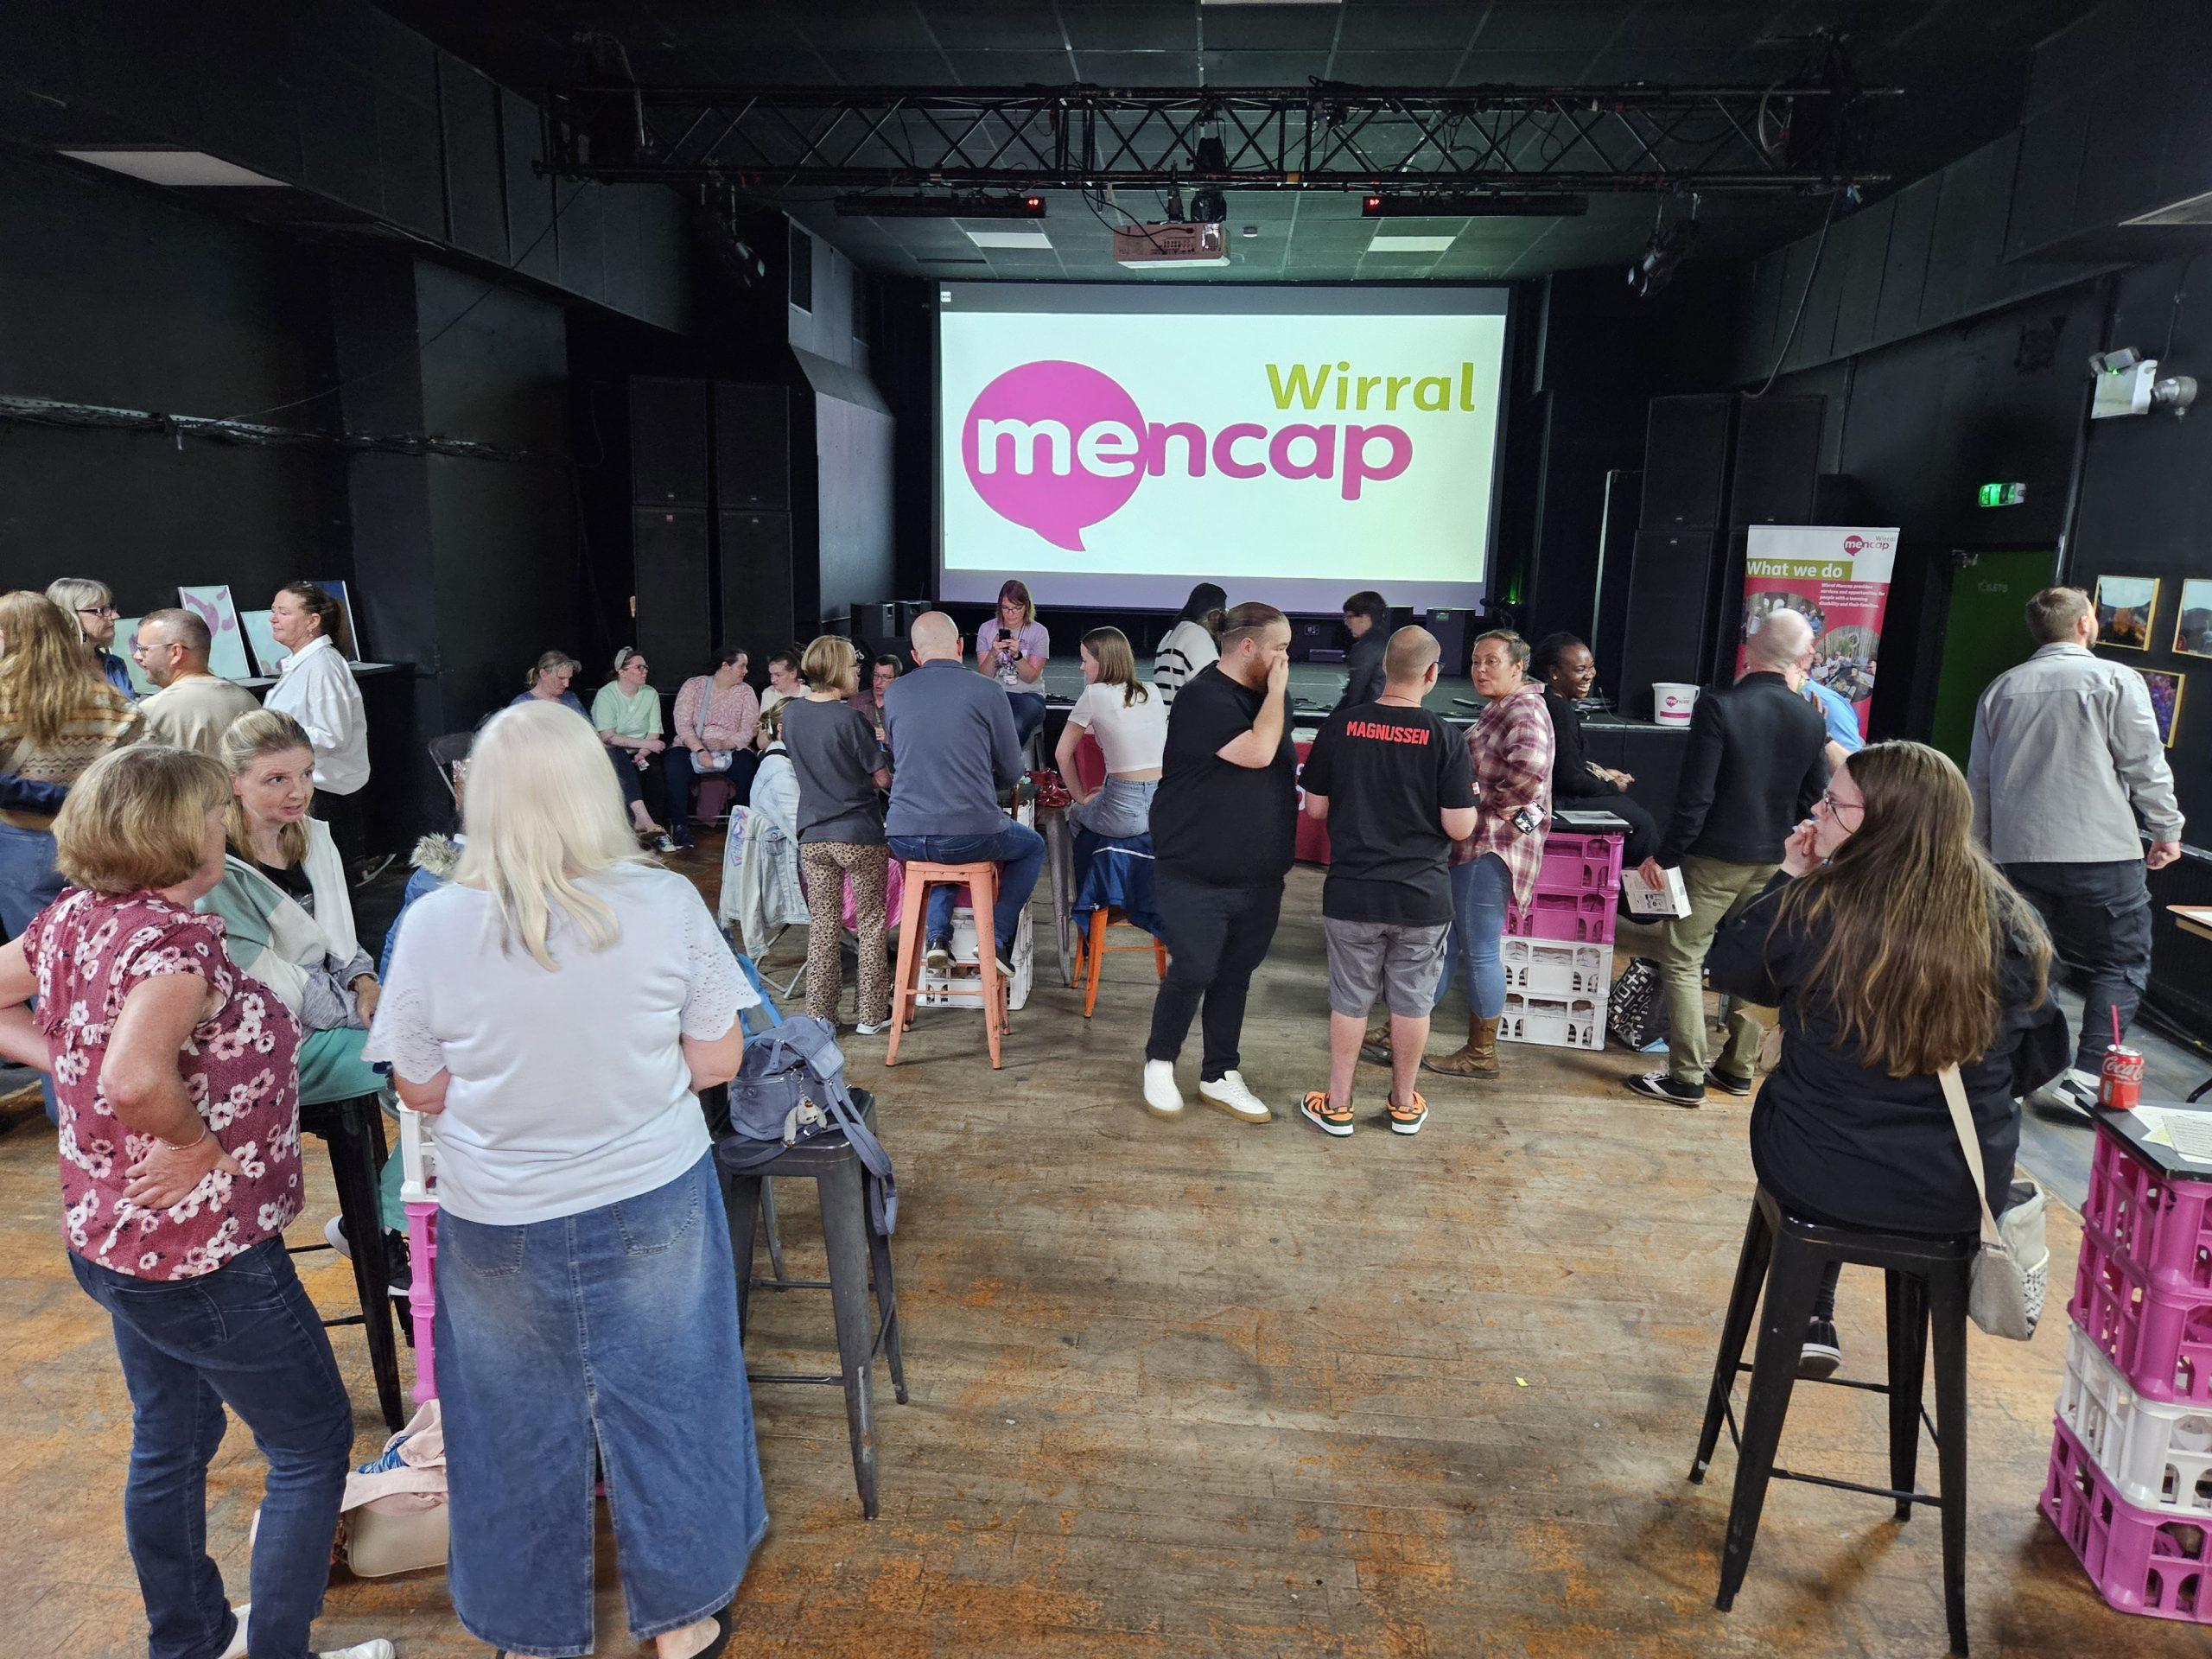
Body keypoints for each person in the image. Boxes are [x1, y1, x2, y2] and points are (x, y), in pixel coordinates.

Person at [363, 700, 764, 1659]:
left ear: (482, 800)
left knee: (508, 1424)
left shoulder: (433, 924)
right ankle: (684, 1619)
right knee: (675, 1397)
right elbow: (720, 1059)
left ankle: (532, 1633)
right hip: (651, 1191)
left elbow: (417, 1086)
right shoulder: (664, 902)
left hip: (497, 1210)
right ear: (595, 791)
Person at [0, 744, 393, 1659]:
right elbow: (137, 1080)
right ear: (180, 831)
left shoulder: (74, 917)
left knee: (171, 1438)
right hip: (204, 1256)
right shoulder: (176, 947)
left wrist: (69, 1064)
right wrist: (188, 1141)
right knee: (310, 1444)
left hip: (115, 1243)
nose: (227, 825)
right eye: (217, 813)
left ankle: (192, 1643)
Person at [1707, 741, 2063, 1376]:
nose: (1816, 814)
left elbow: (1732, 968)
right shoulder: (2009, 921)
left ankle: (1810, 1305)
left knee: (1818, 1112)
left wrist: (1789, 873)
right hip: (1957, 1189)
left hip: (1817, 1173)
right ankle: (1859, 1310)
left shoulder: (1817, 907)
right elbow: (2040, 1060)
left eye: (1833, 805)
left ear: (1885, 823)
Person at [1968, 584, 2184, 1116]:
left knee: (2024, 961)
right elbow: (2144, 763)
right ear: (2085, 624)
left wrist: (1979, 852)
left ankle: (2013, 1073)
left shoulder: (2001, 688)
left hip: (2018, 855)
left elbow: (1980, 781)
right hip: (2102, 852)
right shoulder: (2116, 679)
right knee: (2122, 961)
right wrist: (2166, 827)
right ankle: (2087, 1078)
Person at [200, 709, 398, 1230]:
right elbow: (273, 988)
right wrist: (364, 1013)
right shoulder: (216, 863)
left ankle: (380, 1225)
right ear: (234, 781)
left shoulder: (310, 835)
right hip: (268, 1042)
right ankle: (383, 1227)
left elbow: (342, 942)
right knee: (437, 1063)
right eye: (277, 779)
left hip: (326, 1016)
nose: (299, 791)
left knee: (444, 1057)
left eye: (307, 773)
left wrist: (365, 982)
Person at [1628, 609, 1829, 1107]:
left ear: (1751, 646)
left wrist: (1666, 856)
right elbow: (1813, 798)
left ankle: (1685, 1076)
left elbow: (1696, 798)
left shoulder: (1720, 706)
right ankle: (1737, 1068)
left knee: (1683, 957)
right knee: (1753, 958)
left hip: (1713, 857)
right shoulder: (1811, 716)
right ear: (1797, 657)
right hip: (1773, 859)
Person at [1298, 626, 1477, 1138]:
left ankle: (1337, 1106)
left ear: (1384, 669)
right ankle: (1402, 1104)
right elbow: (1459, 828)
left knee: (1349, 1000)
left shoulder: (1341, 726)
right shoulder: (1445, 736)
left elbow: (1315, 809)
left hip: (1352, 891)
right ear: (1432, 674)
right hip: (1421, 897)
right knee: (1412, 1002)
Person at [1141, 601, 1297, 1125]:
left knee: (1235, 974)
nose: (1286, 661)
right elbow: (1258, 752)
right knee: (1196, 967)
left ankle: (1220, 1072)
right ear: (1248, 647)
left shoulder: (1272, 695)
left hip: (1259, 873)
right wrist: (1276, 694)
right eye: (1280, 649)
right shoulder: (1203, 697)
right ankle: (1160, 1061)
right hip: (1194, 869)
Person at [883, 612, 1045, 980]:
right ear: (960, 646)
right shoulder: (988, 690)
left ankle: (937, 938)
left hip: (904, 836)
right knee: (1031, 847)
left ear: (915, 656)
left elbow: (898, 754)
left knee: (942, 853)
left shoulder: (894, 692)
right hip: (969, 832)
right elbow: (1011, 771)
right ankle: (997, 940)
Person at [1425, 630, 1554, 1080]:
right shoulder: (1503, 707)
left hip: (1491, 848)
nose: (1480, 670)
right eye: (1476, 661)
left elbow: (1530, 773)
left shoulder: (1523, 710)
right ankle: (1403, 1027)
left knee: (1479, 951)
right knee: (1450, 944)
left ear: (1518, 667)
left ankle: (1481, 1054)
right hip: (1478, 845)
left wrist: (1476, 802)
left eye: (1492, 662)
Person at [0, 590, 143, 941]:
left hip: (22, 841)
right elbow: (142, 768)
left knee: (34, 951)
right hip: (98, 839)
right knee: (89, 945)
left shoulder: (6, 696)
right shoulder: (109, 699)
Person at [783, 636, 892, 1033]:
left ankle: (820, 1015)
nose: (858, 672)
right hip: (858, 833)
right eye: (852, 666)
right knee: (870, 923)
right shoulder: (851, 720)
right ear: (834, 670)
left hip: (813, 833)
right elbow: (882, 779)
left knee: (824, 926)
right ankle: (871, 1015)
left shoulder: (791, 714)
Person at [1530, 632, 1657, 866]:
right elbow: (1567, 779)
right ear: (1554, 672)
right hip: (1557, 802)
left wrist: (1601, 773)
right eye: (1581, 669)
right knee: (1642, 823)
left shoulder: (1550, 701)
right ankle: (1634, 888)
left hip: (1560, 795)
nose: (1590, 675)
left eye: (1591, 667)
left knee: (1631, 810)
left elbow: (1566, 763)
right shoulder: (1558, 710)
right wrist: (1612, 786)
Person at [263, 582, 368, 855]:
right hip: (310, 788)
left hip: (324, 794)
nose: (273, 619)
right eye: (273, 611)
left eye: (284, 612)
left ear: (312, 621)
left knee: (327, 872)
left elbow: (332, 735)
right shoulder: (308, 663)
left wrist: (274, 734)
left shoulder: (323, 665)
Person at [1053, 626, 1167, 840]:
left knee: (1075, 814)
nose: (1081, 667)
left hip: (1124, 808)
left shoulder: (1094, 694)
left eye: (1085, 661)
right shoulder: (1152, 691)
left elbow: (1062, 754)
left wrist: (1080, 797)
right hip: (1161, 807)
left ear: (1103, 662)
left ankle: (1082, 863)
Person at [131, 607, 261, 756]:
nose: (137, 656)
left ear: (175, 652)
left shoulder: (154, 710)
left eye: (143, 649)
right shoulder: (248, 700)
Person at [668, 648, 762, 843]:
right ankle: (680, 827)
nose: (745, 671)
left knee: (747, 766)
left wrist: (726, 743)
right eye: (742, 666)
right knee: (674, 765)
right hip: (694, 745)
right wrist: (700, 750)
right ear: (725, 666)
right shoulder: (694, 686)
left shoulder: (746, 691)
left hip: (730, 747)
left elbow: (748, 729)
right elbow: (683, 725)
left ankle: (743, 828)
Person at [592, 645, 678, 851]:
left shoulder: (650, 693)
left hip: (643, 751)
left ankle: (656, 831)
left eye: (645, 667)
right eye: (639, 667)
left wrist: (642, 753)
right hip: (614, 750)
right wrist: (647, 745)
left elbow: (654, 732)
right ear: (622, 672)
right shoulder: (606, 695)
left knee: (656, 774)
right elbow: (608, 737)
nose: (644, 671)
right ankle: (638, 825)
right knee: (621, 762)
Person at [975, 578, 1050, 747]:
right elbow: (984, 677)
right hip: (995, 693)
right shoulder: (986, 629)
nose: (1010, 614)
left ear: (1026, 607)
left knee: (1015, 725)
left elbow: (1030, 677)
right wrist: (993, 653)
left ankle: (1005, 763)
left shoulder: (1038, 632)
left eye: (1016, 608)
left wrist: (1017, 656)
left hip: (1028, 695)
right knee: (973, 724)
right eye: (1006, 608)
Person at [46, 576, 135, 698]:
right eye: (102, 610)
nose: (115, 616)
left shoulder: (115, 664)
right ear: (69, 615)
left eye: (110, 608)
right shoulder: (49, 669)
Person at [1153, 582, 1225, 708]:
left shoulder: (1171, 634)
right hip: (1188, 716)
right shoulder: (1196, 635)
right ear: (1214, 615)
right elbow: (1213, 688)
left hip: (1170, 715)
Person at [1334, 590, 1392, 713]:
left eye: (1349, 617)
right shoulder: (1392, 643)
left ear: (1365, 617)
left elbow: (1354, 696)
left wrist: (1331, 720)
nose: (1346, 623)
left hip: (1369, 716)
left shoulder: (1365, 648)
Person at [507, 649, 588, 717]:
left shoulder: (571, 698)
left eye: (569, 678)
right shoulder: (522, 704)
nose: (567, 684)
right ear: (543, 674)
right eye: (561, 678)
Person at [852, 652, 904, 739]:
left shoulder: (903, 705)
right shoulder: (856, 701)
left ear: (896, 680)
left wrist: (888, 740)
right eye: (876, 675)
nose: (878, 682)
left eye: (886, 677)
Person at [758, 645, 805, 738]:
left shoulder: (808, 693)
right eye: (771, 675)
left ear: (793, 674)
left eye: (778, 675)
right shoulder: (769, 693)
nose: (773, 680)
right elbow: (763, 731)